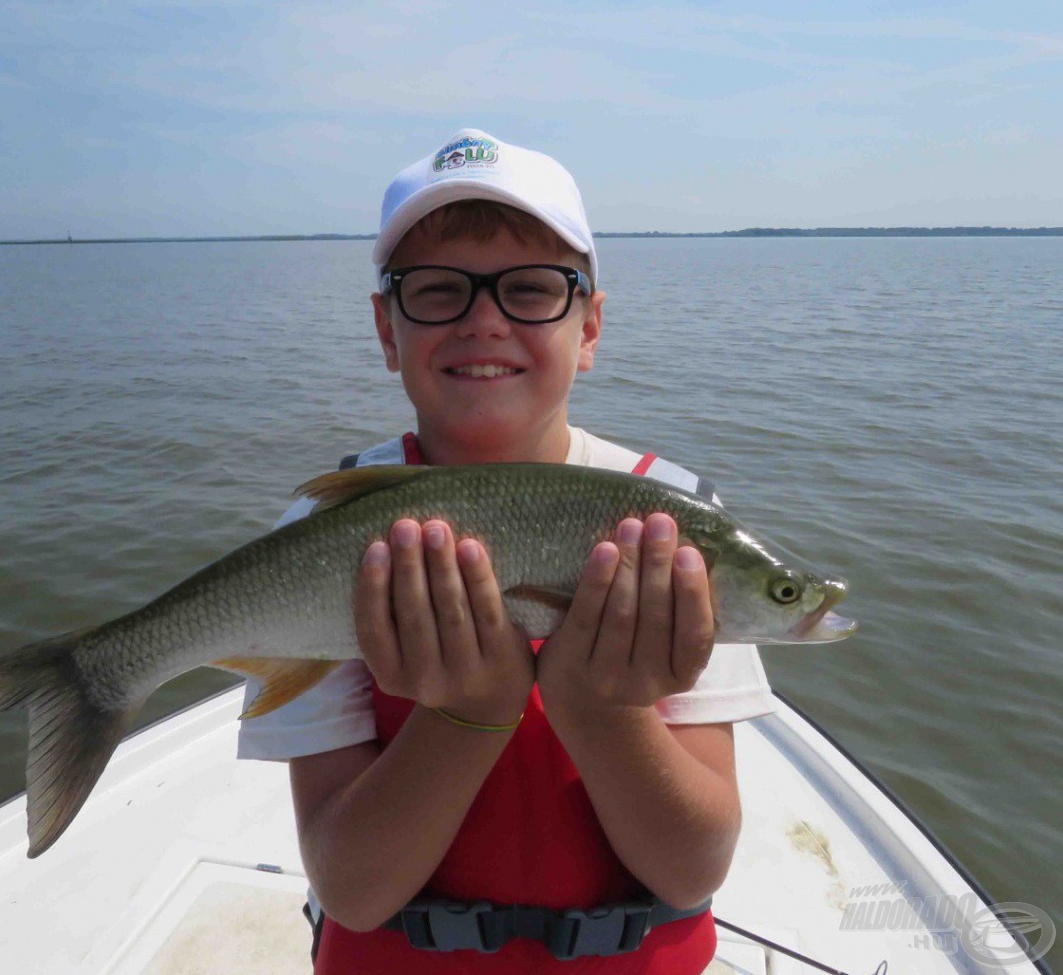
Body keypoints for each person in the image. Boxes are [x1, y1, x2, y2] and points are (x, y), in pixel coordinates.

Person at [238, 128, 777, 973]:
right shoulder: (325, 531)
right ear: (386, 329)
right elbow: (353, 890)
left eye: (530, 289)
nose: (483, 320)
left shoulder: (671, 527)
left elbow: (693, 867)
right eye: (439, 290)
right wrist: (470, 712)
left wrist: (601, 713)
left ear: (590, 325)